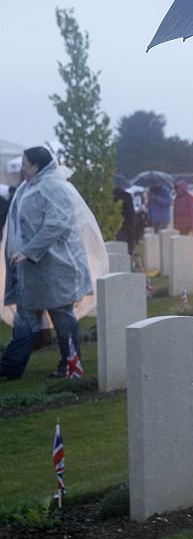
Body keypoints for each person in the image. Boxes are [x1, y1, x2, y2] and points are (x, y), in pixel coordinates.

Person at [1, 148, 96, 379]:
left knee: (61, 315)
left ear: (37, 165)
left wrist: (29, 250)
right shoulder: (29, 187)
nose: (22, 168)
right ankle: (10, 367)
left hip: (55, 265)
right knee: (26, 319)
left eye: (26, 164)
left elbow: (57, 224)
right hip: (31, 269)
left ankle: (70, 364)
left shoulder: (55, 187)